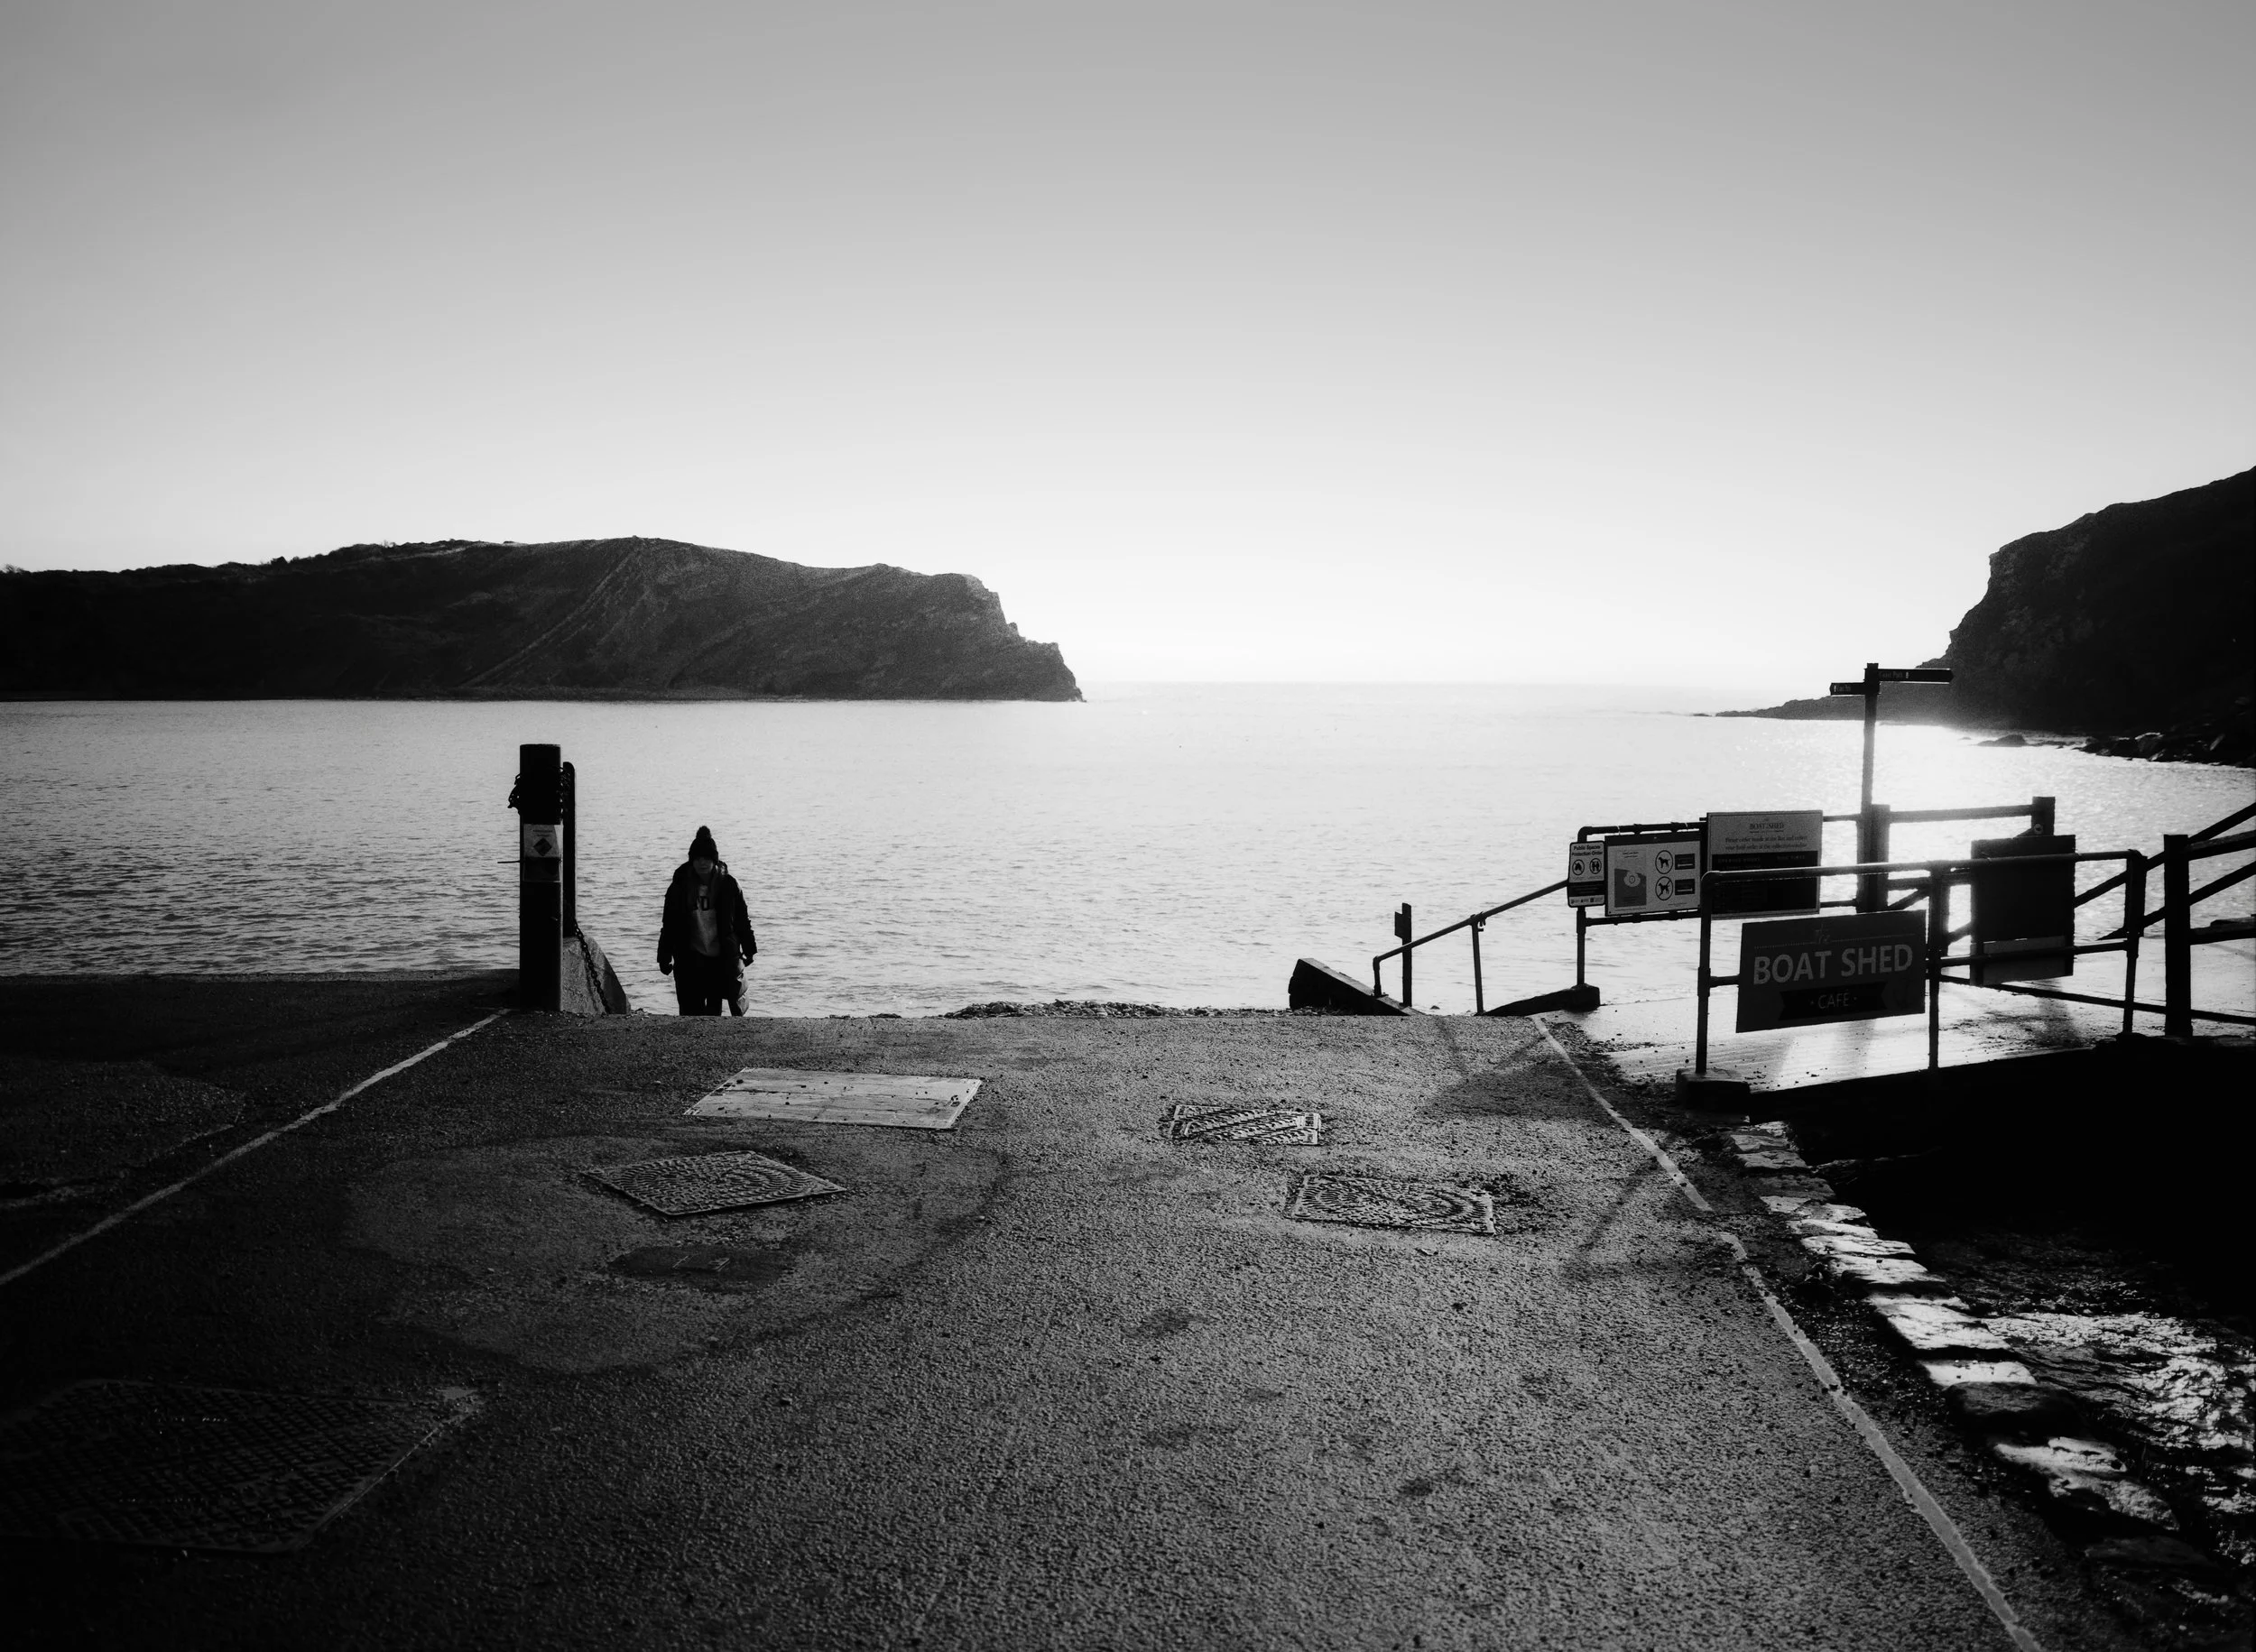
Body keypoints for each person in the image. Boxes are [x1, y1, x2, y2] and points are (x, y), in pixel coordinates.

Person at [656, 826, 756, 1016]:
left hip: (719, 958)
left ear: (714, 860)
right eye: (698, 858)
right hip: (689, 957)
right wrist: (664, 956)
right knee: (689, 1012)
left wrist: (749, 949)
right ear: (692, 860)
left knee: (713, 1014)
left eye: (707, 858)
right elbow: (669, 925)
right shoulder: (679, 887)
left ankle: (713, 1044)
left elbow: (742, 920)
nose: (702, 863)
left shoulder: (728, 885)